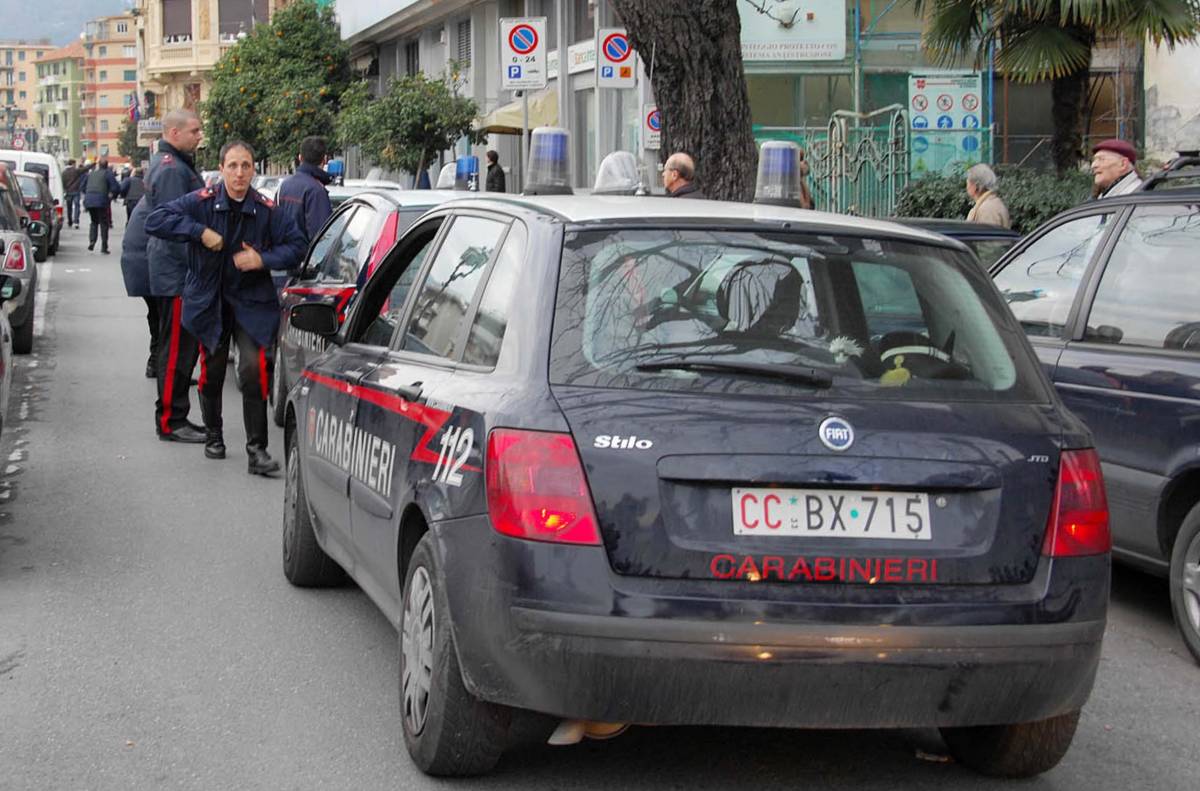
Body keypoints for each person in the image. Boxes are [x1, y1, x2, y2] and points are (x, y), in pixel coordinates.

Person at [145, 140, 306, 475]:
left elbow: (297, 247)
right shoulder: (201, 203)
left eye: (246, 165)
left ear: (253, 170)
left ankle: (256, 451)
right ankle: (214, 436)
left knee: (252, 369)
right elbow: (156, 219)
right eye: (232, 166)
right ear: (221, 170)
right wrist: (199, 231)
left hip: (250, 303)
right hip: (209, 301)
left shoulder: (266, 210)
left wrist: (262, 258)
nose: (239, 173)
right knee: (213, 370)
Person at [146, 109, 206, 444]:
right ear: (173, 132)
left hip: (178, 270)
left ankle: (175, 415)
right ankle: (171, 419)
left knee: (183, 347)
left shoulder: (177, 164)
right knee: (177, 350)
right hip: (178, 271)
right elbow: (172, 222)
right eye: (195, 131)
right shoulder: (171, 170)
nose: (200, 136)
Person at [120, 197, 160, 379]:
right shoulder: (165, 196)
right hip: (149, 265)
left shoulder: (150, 199)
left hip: (139, 263)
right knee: (164, 317)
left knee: (157, 315)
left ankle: (156, 363)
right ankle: (161, 365)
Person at [276, 135, 333, 245]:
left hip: (285, 256)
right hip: (305, 258)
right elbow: (321, 238)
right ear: (324, 159)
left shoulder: (284, 186)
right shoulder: (316, 191)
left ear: (300, 158)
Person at [83, 158, 120, 253]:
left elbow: (82, 186)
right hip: (101, 201)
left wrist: (88, 194)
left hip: (89, 200)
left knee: (94, 221)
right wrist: (112, 195)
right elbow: (115, 187)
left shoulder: (91, 174)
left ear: (98, 165)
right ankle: (104, 246)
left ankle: (92, 241)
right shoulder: (108, 174)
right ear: (107, 165)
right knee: (104, 223)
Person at [964, 163, 1011, 228]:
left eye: (967, 183)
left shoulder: (986, 209)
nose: (966, 187)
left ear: (975, 186)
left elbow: (987, 236)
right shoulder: (992, 203)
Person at [61, 159, 82, 229]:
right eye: (75, 164)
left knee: (69, 207)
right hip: (76, 191)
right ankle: (76, 221)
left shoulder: (64, 172)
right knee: (77, 206)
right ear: (73, 164)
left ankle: (70, 221)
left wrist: (64, 189)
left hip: (68, 192)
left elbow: (63, 182)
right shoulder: (76, 171)